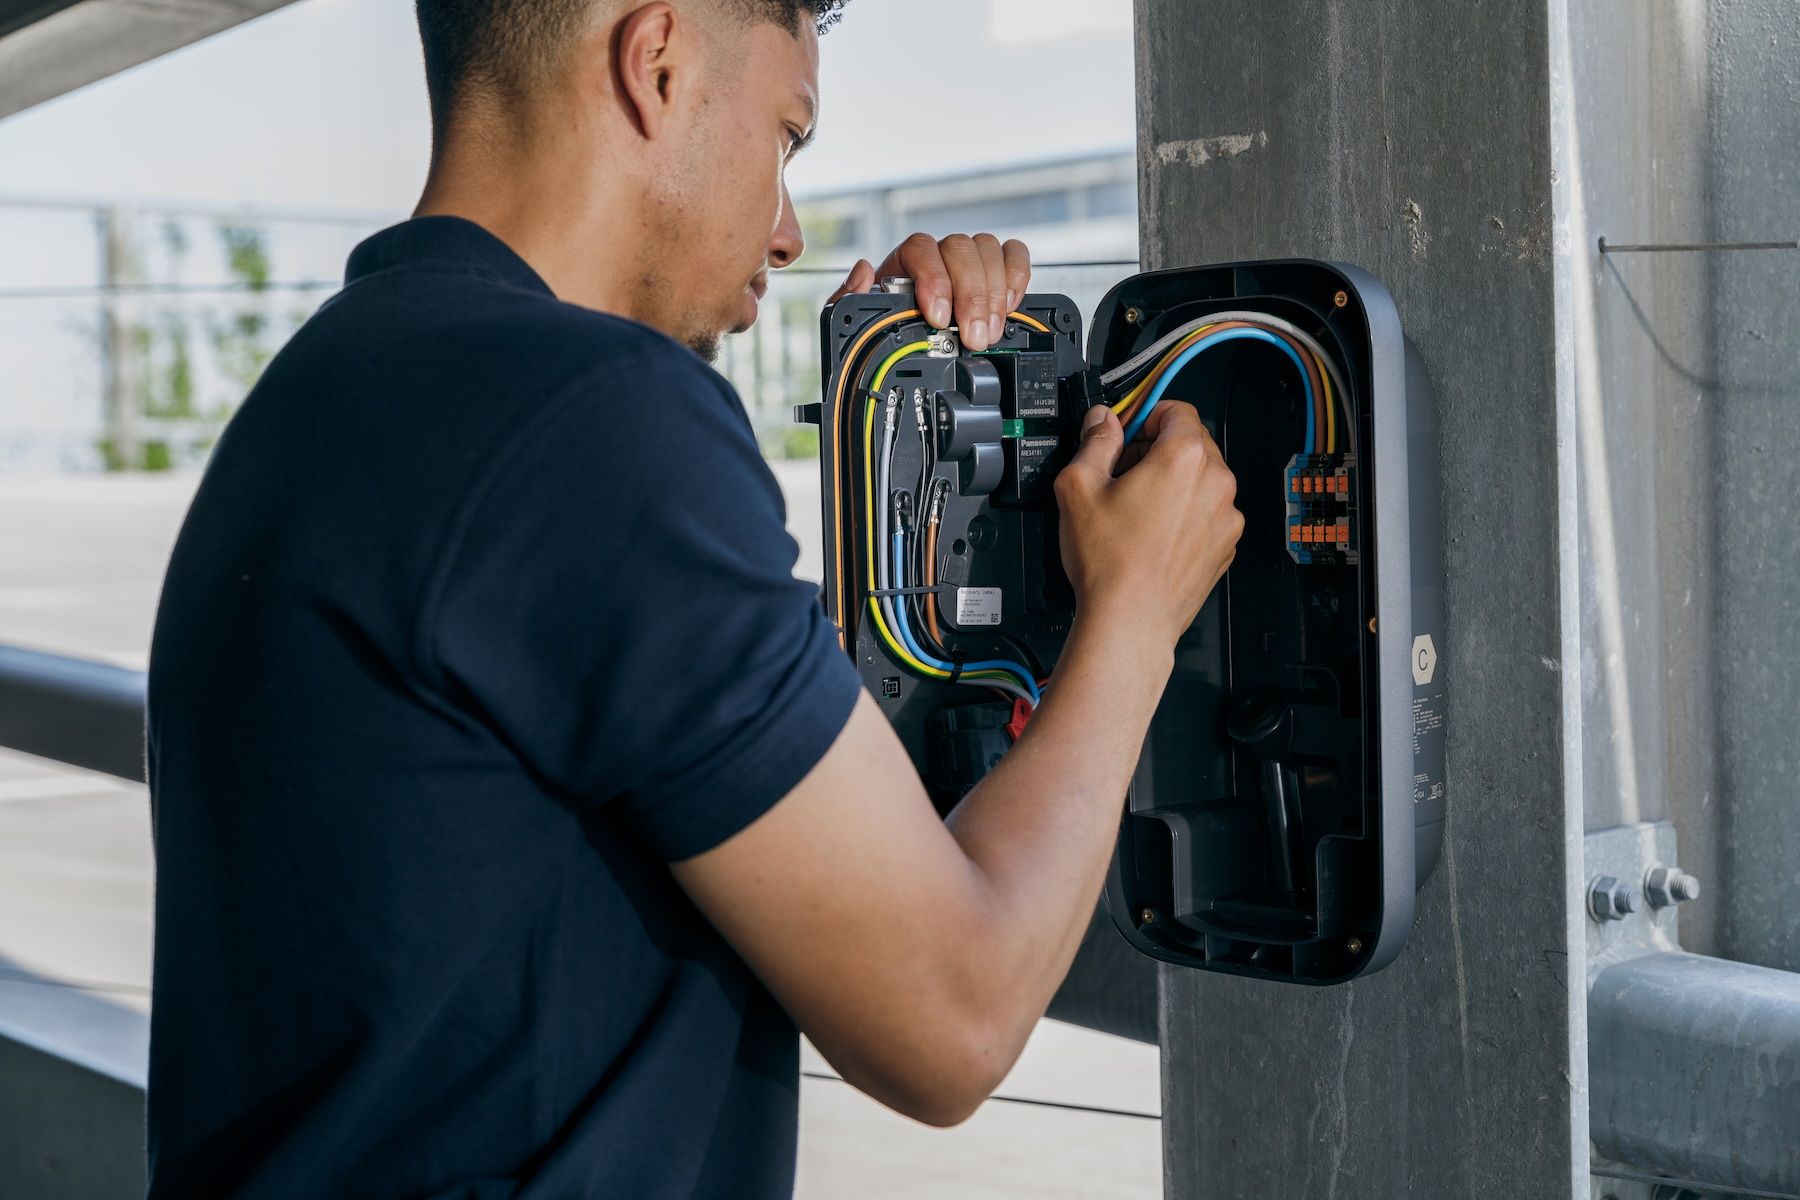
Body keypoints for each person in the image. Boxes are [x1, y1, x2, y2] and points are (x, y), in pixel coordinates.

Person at [143, 0, 1243, 1196]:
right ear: (656, 64)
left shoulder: (333, 390)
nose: (784, 234)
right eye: (786, 136)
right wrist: (1138, 608)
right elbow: (953, 1019)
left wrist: (906, 435)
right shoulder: (592, 415)